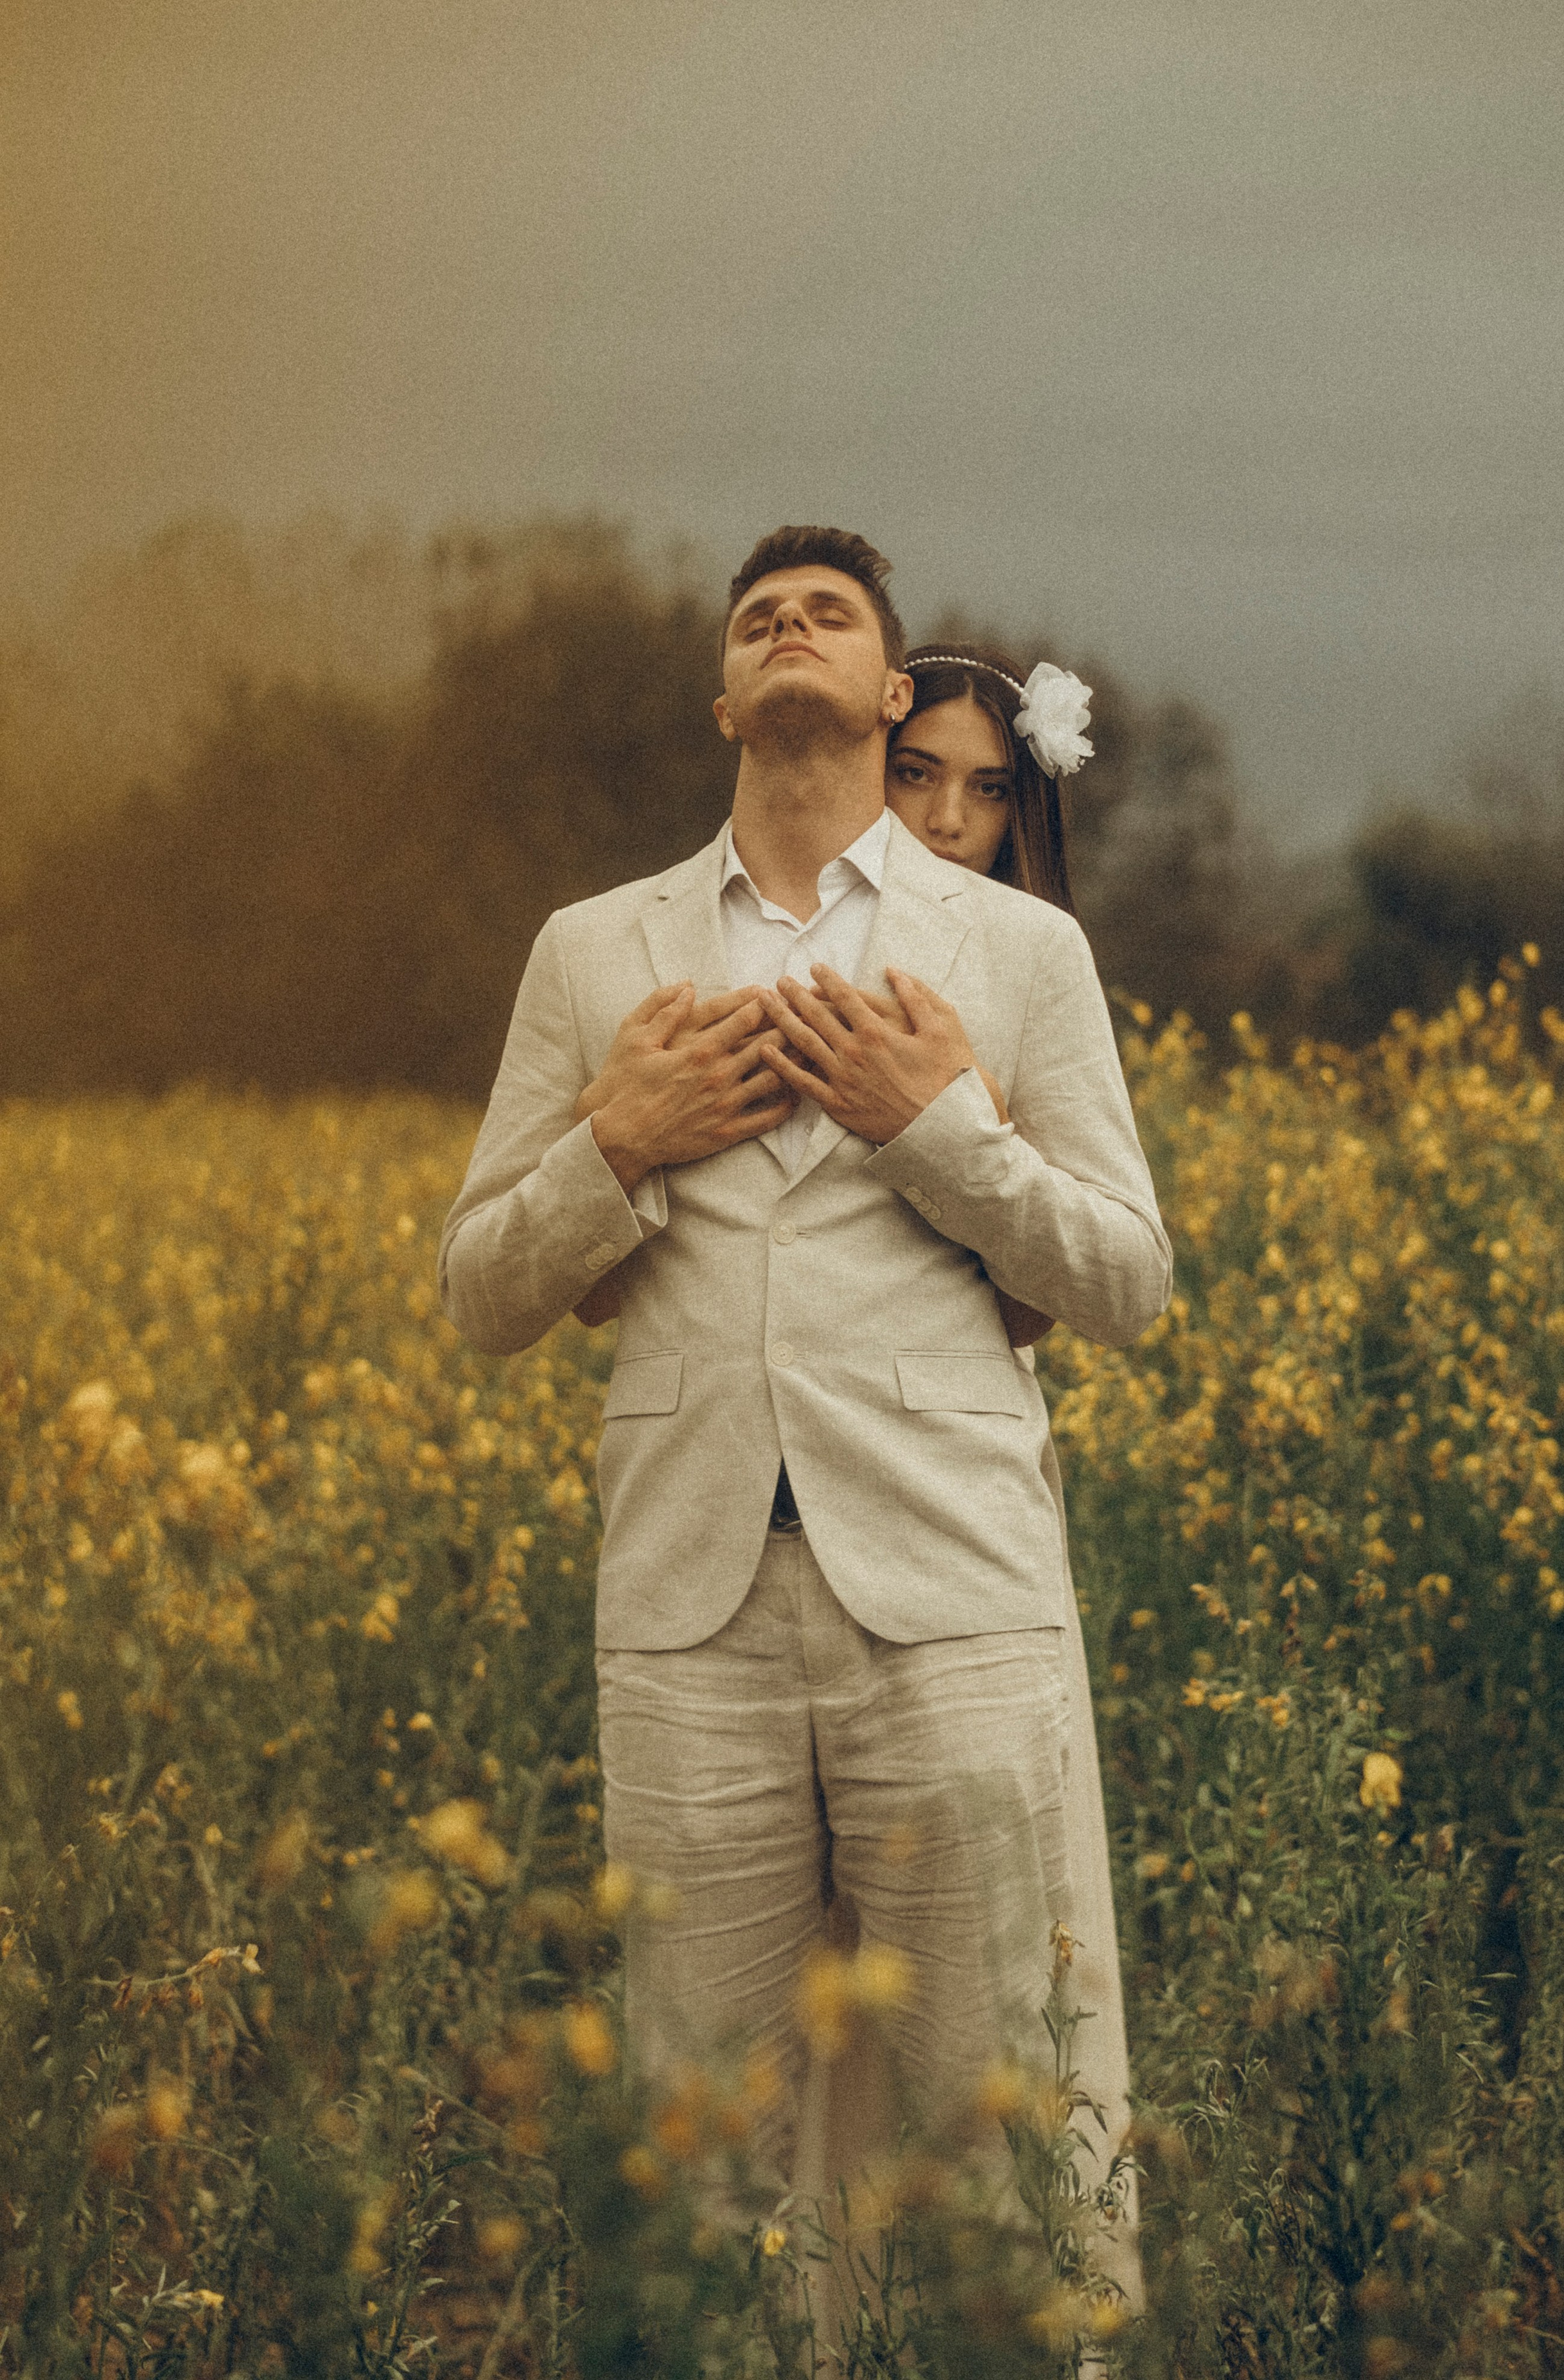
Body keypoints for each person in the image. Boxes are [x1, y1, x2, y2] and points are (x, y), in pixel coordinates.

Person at [438, 529, 1170, 2294]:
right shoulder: (591, 949)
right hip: (693, 1620)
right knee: (704, 2154)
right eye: (759, 614)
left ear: (890, 691)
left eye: (828, 613)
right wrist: (619, 1142)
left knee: (995, 2142)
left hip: (957, 1603)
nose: (789, 628)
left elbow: (1128, 1279)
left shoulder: (1014, 950)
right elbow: (479, 1294)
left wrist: (946, 1134)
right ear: (721, 699)